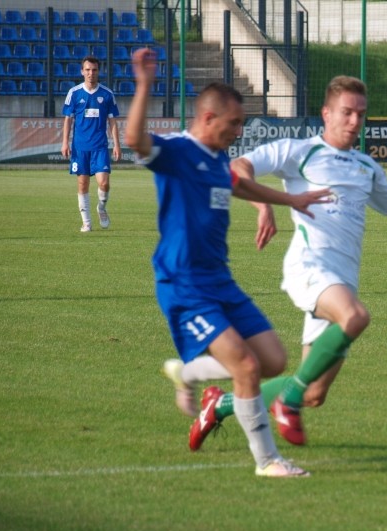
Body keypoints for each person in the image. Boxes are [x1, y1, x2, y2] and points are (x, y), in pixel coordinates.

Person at [184, 74, 387, 450]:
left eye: (361, 114)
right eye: (347, 112)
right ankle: (287, 404)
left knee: (314, 392)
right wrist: (264, 205)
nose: (355, 121)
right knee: (356, 317)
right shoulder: (300, 151)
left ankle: (220, 405)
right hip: (309, 268)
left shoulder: (366, 167)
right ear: (326, 113)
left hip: (341, 282)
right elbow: (239, 169)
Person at [124, 47, 328, 477]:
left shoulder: (218, 158)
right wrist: (143, 85)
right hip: (184, 283)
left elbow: (238, 186)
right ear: (208, 118)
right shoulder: (177, 151)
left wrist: (284, 201)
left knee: (272, 360)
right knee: (246, 367)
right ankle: (267, 461)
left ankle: (188, 372)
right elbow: (134, 141)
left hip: (220, 279)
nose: (239, 130)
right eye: (234, 123)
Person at [61, 55, 121, 232]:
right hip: (80, 147)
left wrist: (117, 144)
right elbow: (68, 120)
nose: (90, 73)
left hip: (100, 147)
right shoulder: (74, 93)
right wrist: (65, 142)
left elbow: (112, 121)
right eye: (87, 70)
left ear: (98, 71)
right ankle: (86, 222)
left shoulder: (107, 94)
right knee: (83, 184)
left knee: (104, 183)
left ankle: (101, 208)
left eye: (94, 70)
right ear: (82, 71)